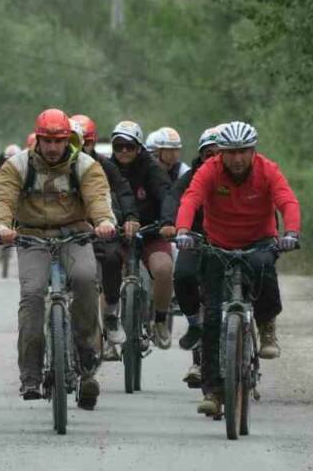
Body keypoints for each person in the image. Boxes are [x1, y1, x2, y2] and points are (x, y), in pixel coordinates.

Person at [0, 108, 117, 409]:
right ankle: (30, 374)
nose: (52, 147)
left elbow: (98, 197)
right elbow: (3, 199)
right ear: (38, 139)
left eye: (58, 140)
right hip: (32, 237)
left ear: (69, 140)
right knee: (32, 295)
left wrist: (104, 221)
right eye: (46, 140)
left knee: (86, 280)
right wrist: (3, 227)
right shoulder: (17, 165)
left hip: (74, 235)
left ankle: (88, 363)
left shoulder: (85, 165)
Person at [175, 121, 301, 417]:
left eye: (243, 151)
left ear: (252, 151)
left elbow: (287, 200)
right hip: (218, 244)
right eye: (231, 152)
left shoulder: (267, 169)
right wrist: (182, 229)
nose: (237, 158)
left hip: (259, 241)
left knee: (263, 269)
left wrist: (291, 233)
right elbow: (191, 198)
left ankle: (267, 325)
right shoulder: (210, 170)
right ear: (221, 152)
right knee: (213, 321)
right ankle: (214, 393)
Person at [104, 121, 178, 348]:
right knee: (106, 274)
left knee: (164, 269)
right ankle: (107, 329)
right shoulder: (104, 169)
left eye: (129, 146)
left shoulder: (152, 168)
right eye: (118, 146)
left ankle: (160, 320)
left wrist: (167, 222)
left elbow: (167, 195)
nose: (124, 151)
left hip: (151, 231)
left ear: (139, 147)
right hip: (116, 232)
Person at [71, 113, 138, 360]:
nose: (81, 147)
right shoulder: (55, 166)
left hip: (101, 228)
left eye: (85, 141)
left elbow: (123, 191)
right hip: (67, 232)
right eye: (74, 141)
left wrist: (128, 217)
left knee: (111, 257)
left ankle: (110, 312)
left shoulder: (104, 166)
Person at [173, 125, 222, 387]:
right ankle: (196, 339)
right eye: (207, 154)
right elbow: (178, 201)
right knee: (184, 277)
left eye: (219, 154)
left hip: (232, 243)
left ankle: (255, 329)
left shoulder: (243, 176)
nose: (213, 159)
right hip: (196, 239)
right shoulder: (192, 177)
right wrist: (177, 226)